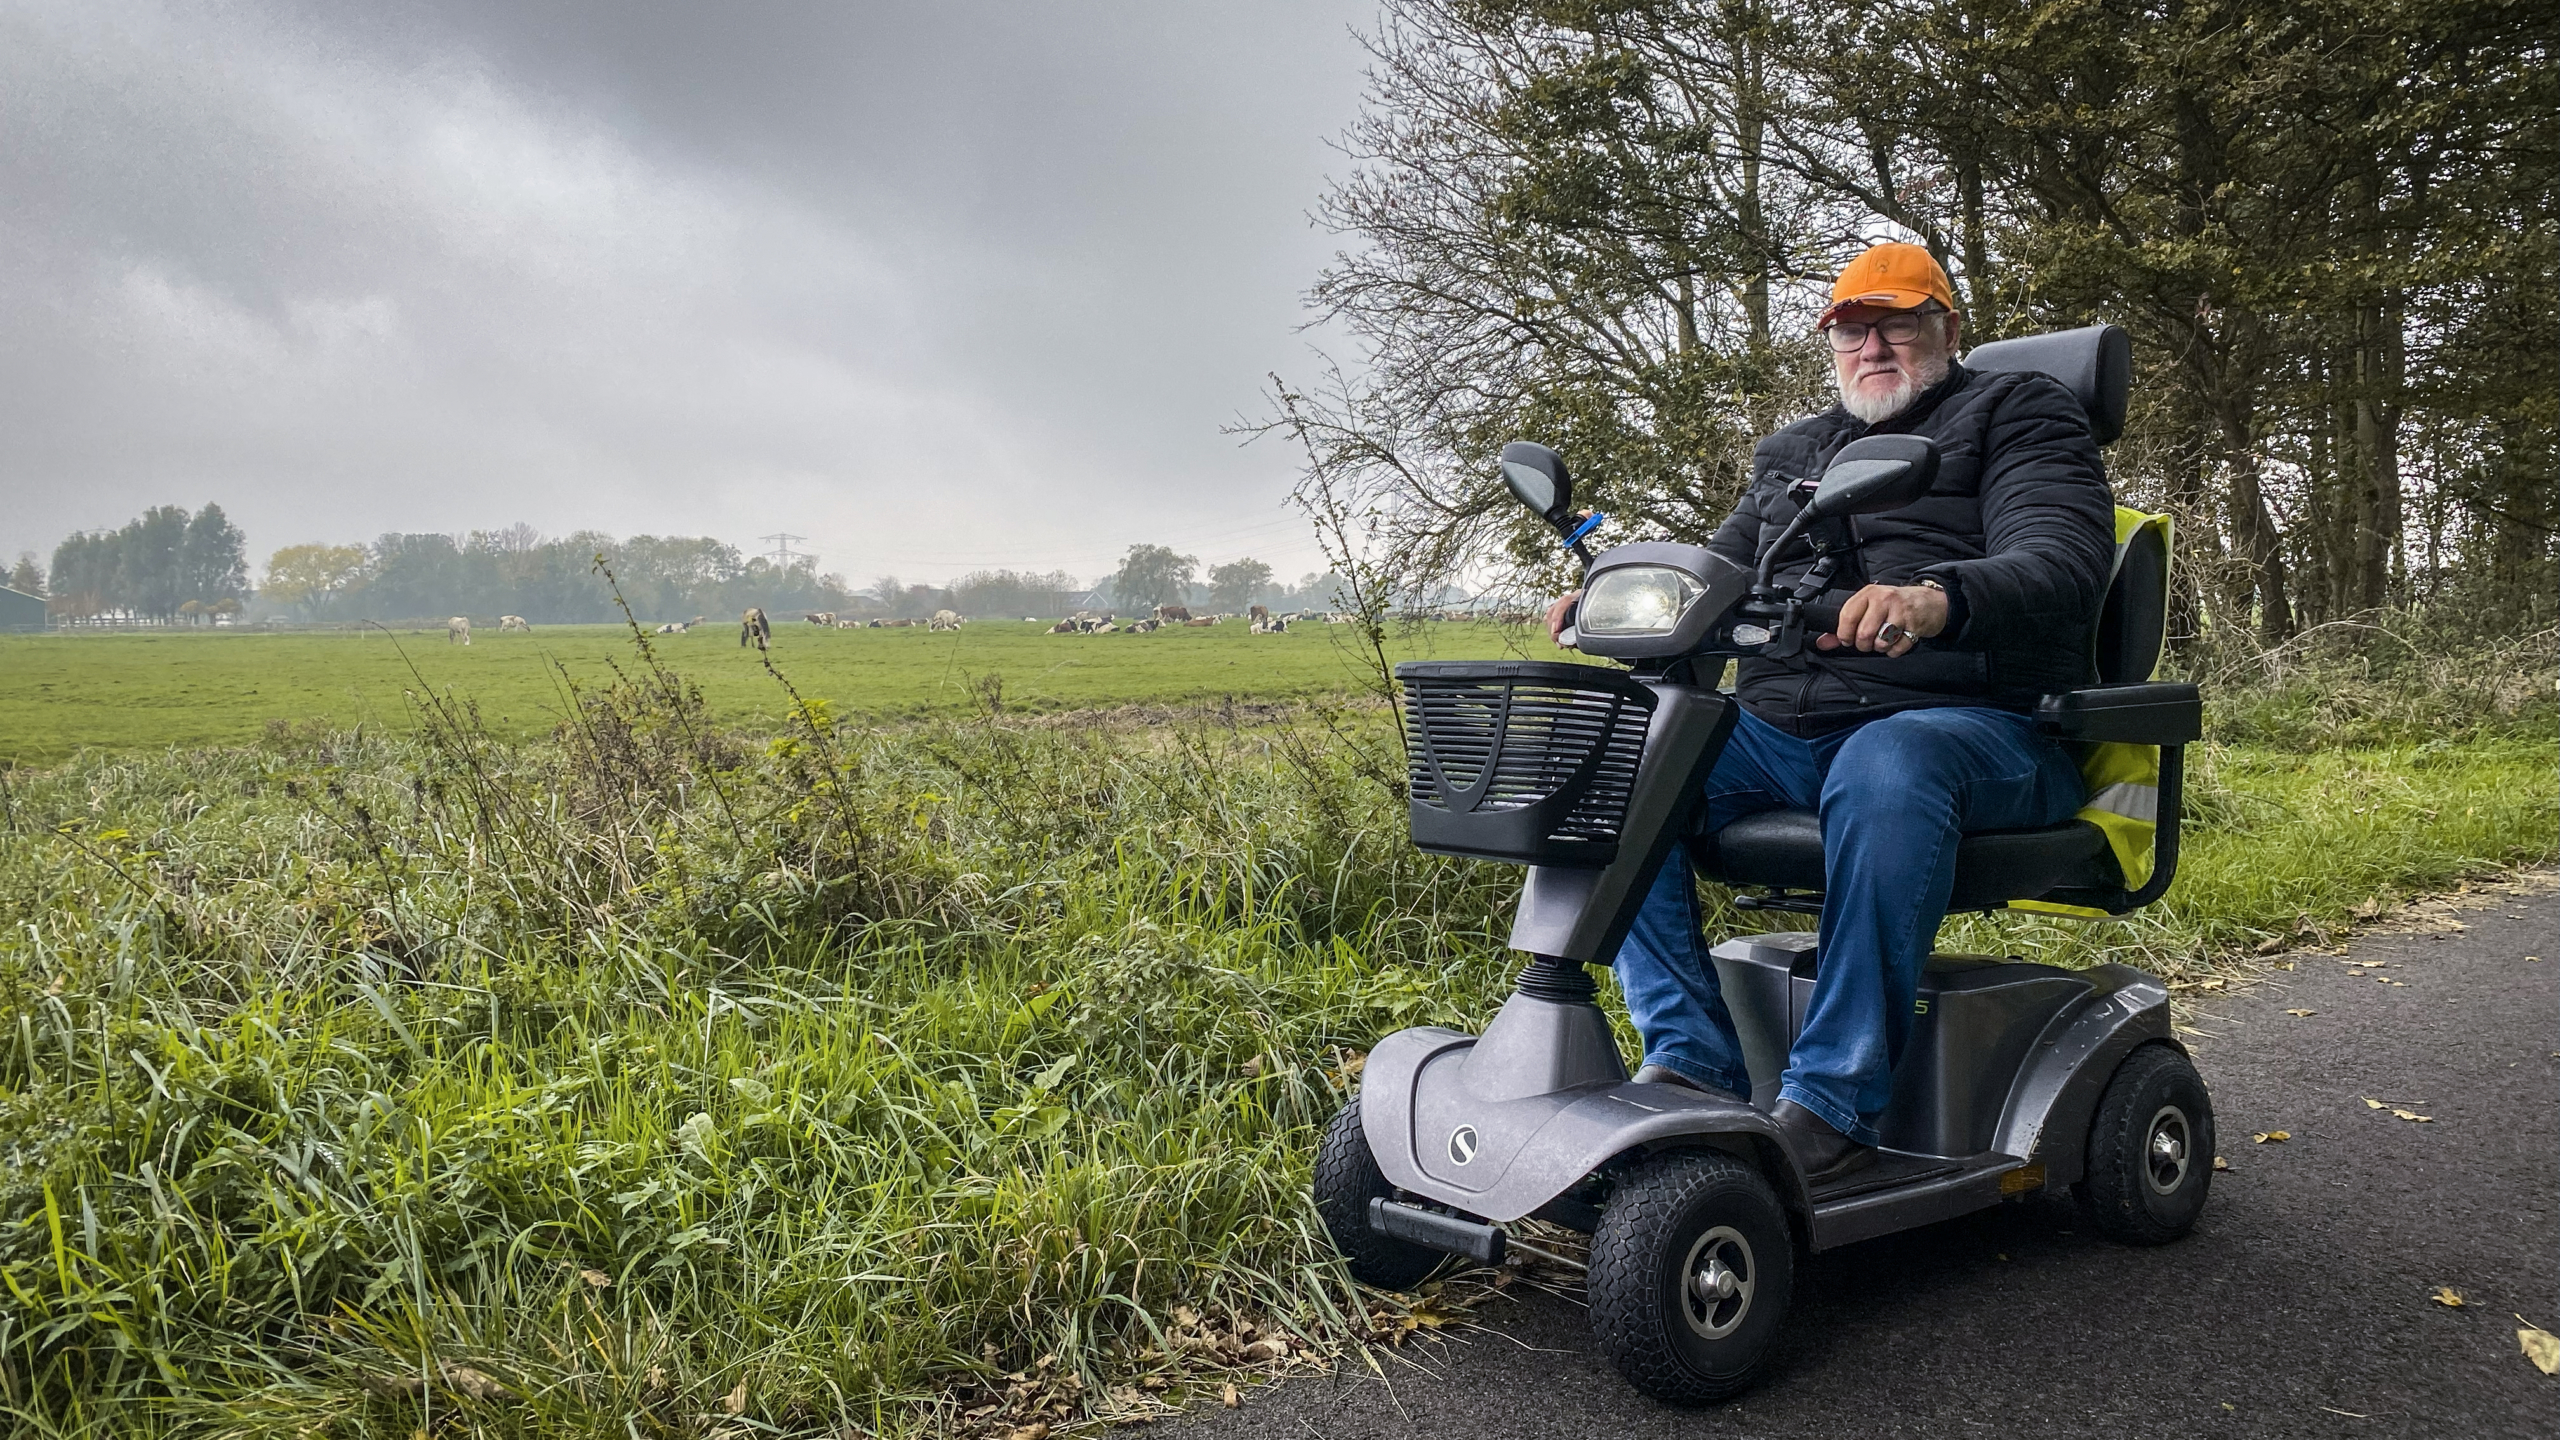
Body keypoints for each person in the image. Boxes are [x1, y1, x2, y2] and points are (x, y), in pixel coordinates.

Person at [1544, 242, 2114, 1182]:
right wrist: (1620, 594)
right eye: (1853, 329)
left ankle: (1835, 1100)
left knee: (1887, 761)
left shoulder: (2021, 413)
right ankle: (1691, 1058)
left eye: (1897, 322)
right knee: (1620, 752)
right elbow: (1716, 579)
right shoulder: (1793, 453)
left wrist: (1937, 596)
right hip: (1783, 736)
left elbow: (2060, 557)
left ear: (1948, 329)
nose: (1873, 346)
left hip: (1977, 730)